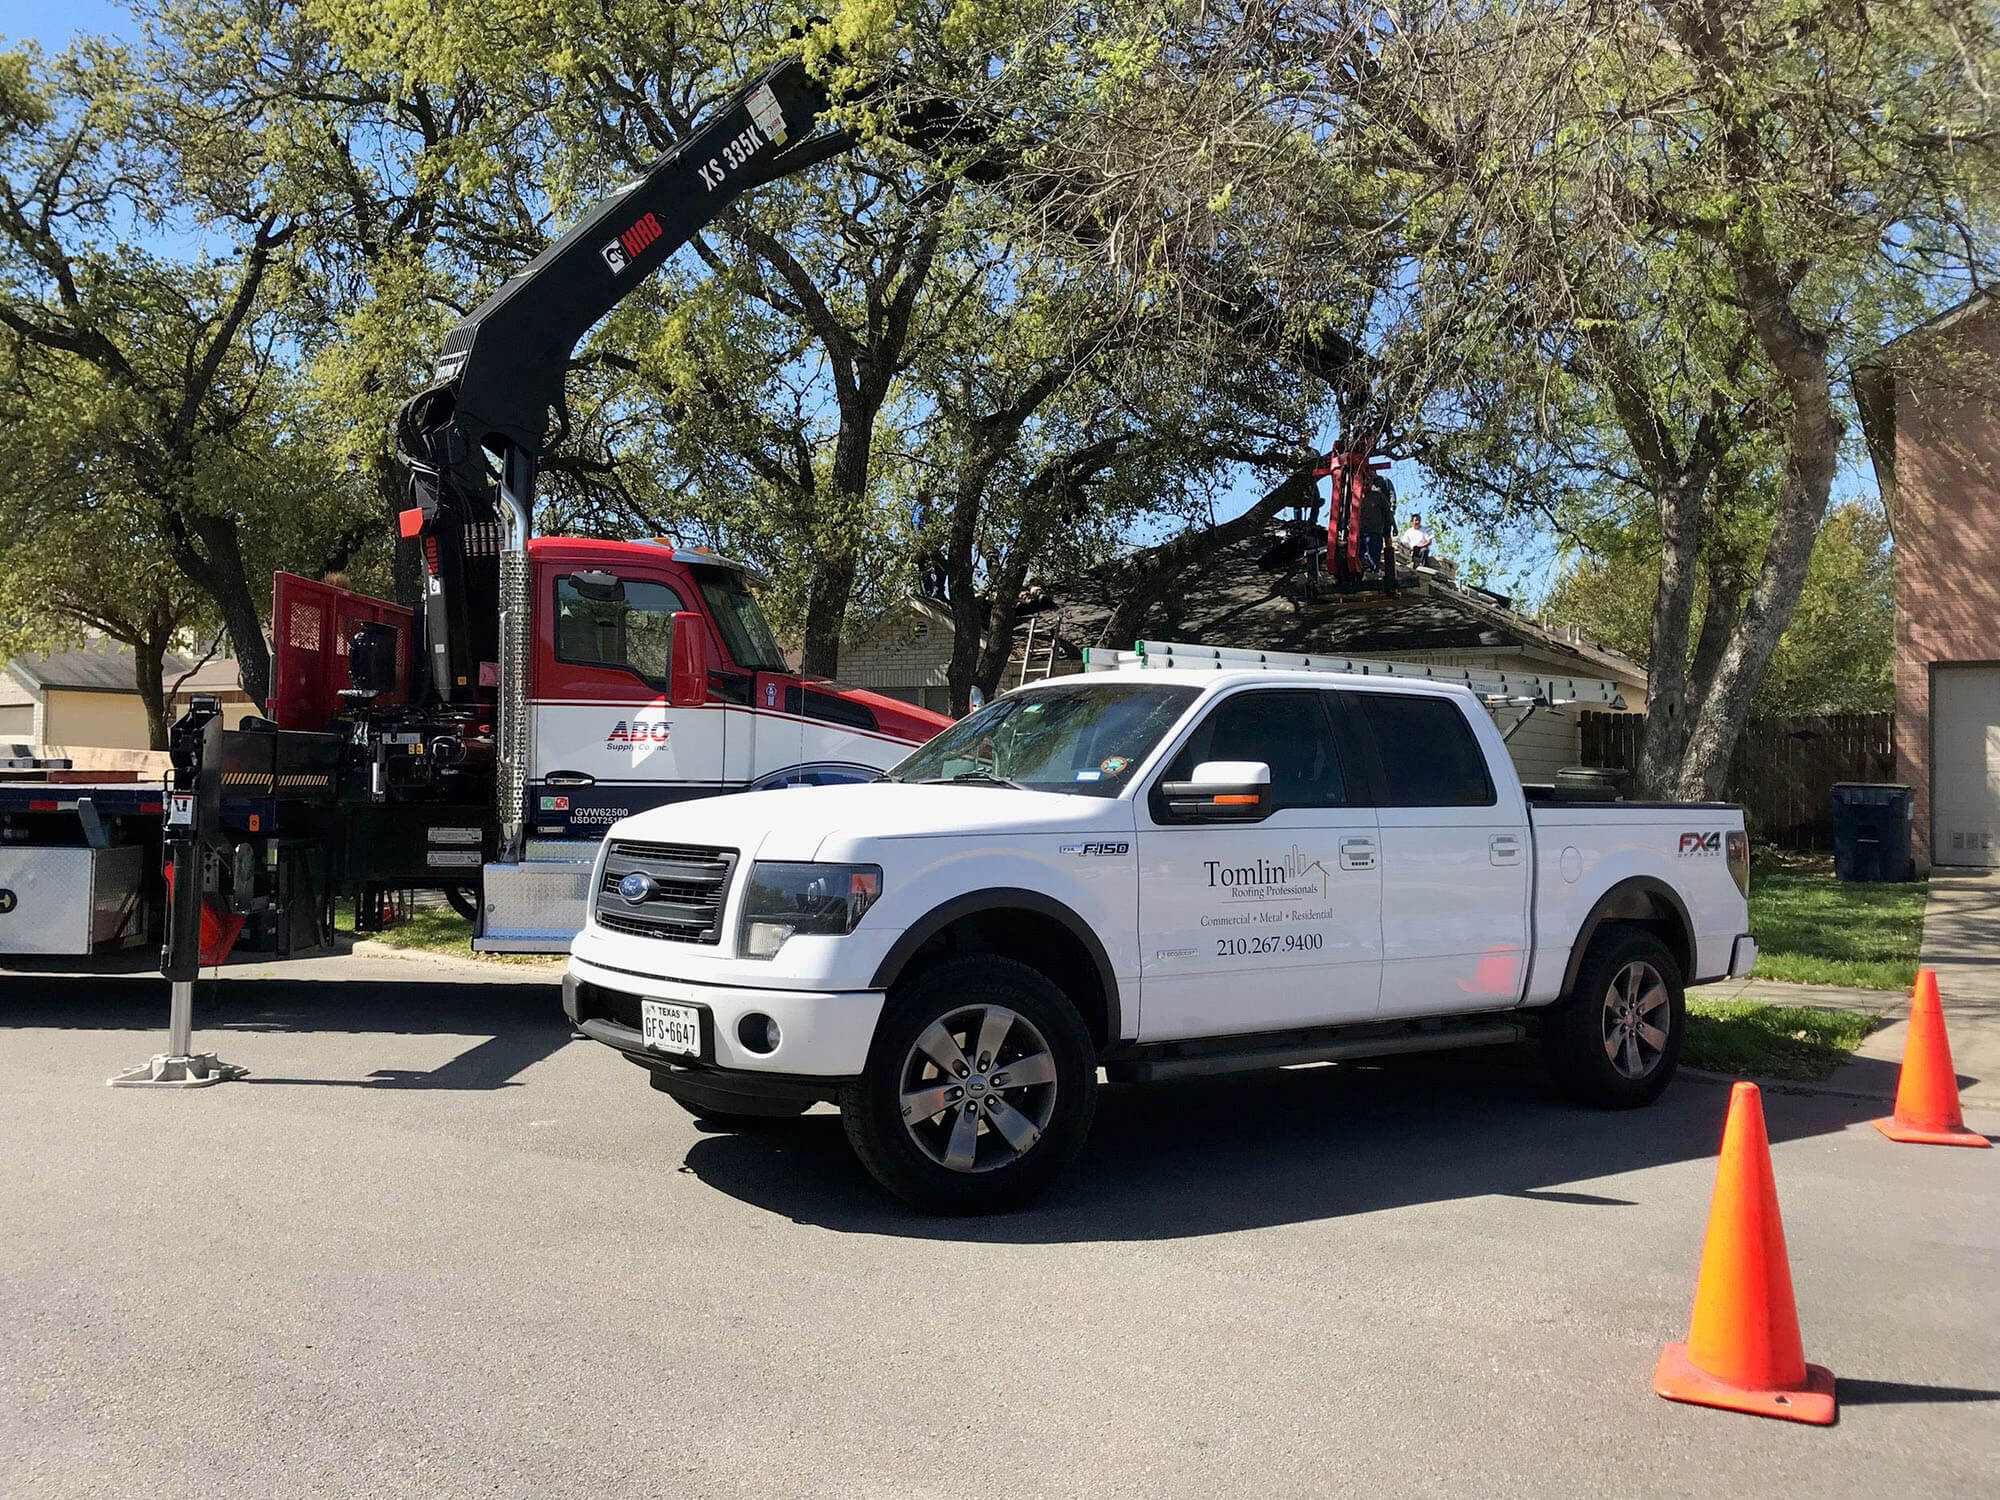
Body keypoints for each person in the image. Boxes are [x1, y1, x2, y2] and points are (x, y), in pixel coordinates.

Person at [1359, 471, 1393, 575]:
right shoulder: (1356, 497)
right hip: (1360, 534)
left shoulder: (1378, 496)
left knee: (1373, 557)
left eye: (1367, 482)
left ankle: (1374, 574)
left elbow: (1388, 513)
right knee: (1359, 557)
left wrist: (1387, 531)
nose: (1365, 484)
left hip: (1374, 532)